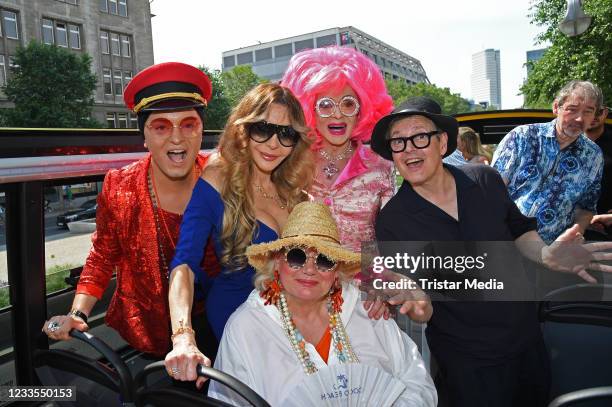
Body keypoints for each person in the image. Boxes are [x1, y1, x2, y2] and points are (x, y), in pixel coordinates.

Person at [369, 96, 612, 406]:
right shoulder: (392, 220)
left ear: (442, 143)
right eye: (398, 142)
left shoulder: (485, 180)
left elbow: (519, 229)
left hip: (527, 343)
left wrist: (546, 255)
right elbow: (418, 299)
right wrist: (418, 306)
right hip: (466, 364)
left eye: (419, 136)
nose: (409, 149)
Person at [42, 62, 219, 357]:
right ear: (144, 137)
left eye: (188, 124)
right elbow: (101, 257)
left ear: (202, 131)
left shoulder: (224, 177)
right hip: (152, 332)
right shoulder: (119, 186)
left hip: (222, 321)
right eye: (161, 127)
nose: (177, 137)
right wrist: (79, 314)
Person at [208, 202, 437, 406]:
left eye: (324, 260)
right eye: (297, 257)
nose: (309, 269)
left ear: (336, 272)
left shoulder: (366, 310)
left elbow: (416, 379)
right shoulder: (246, 326)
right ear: (277, 262)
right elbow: (226, 400)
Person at [164, 84, 315, 383]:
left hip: (295, 318)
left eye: (286, 134)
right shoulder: (218, 177)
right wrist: (183, 337)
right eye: (263, 129)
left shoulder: (298, 196)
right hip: (239, 315)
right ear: (243, 129)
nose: (274, 144)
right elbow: (184, 264)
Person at [281, 46, 395, 252]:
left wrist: (369, 281)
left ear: (363, 108)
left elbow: (385, 239)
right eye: (325, 105)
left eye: (348, 104)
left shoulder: (380, 165)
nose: (337, 115)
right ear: (309, 109)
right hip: (305, 278)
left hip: (362, 280)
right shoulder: (291, 162)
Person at [492, 80, 604, 244]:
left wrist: (575, 233)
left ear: (594, 116)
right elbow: (493, 191)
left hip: (554, 251)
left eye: (588, 111)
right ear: (556, 108)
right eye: (572, 109)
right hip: (505, 242)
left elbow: (586, 207)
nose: (579, 118)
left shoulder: (593, 156)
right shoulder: (522, 137)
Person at [585, 103, 611, 238]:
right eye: (589, 111)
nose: (594, 116)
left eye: (598, 111)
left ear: (605, 113)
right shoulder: (564, 144)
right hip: (568, 227)